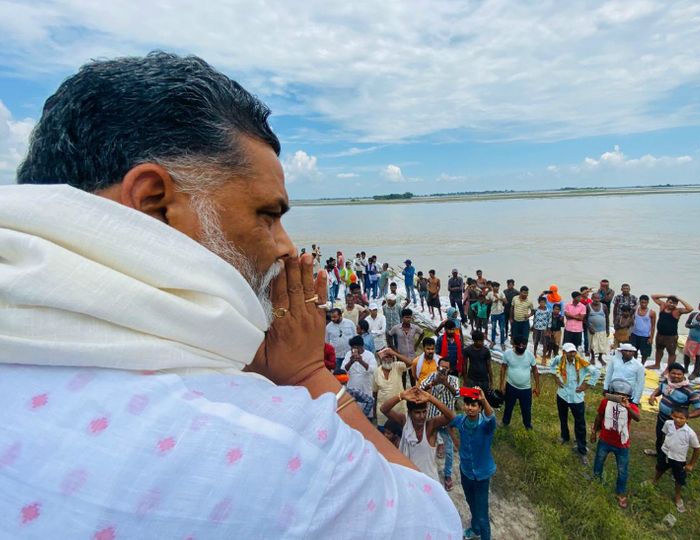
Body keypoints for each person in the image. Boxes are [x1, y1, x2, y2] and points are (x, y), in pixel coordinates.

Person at [1, 52, 460, 537]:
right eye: (268, 214)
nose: (286, 247)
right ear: (155, 204)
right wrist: (306, 375)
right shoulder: (281, 454)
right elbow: (433, 522)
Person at [449, 387, 497, 540]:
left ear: (480, 408)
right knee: (471, 503)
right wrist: (455, 440)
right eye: (467, 404)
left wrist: (483, 399)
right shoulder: (461, 420)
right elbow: (449, 424)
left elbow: (492, 418)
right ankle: (475, 529)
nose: (470, 408)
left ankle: (485, 535)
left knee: (482, 514)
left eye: (474, 405)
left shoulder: (485, 426)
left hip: (481, 476)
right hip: (466, 472)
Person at [380, 387, 455, 482]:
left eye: (424, 412)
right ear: (410, 413)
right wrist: (401, 396)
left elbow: (451, 417)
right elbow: (383, 409)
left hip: (429, 480)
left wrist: (430, 398)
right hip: (409, 479)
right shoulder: (404, 421)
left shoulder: (430, 426)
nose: (422, 416)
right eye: (417, 413)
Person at [591, 380, 641, 509]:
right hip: (605, 440)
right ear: (611, 394)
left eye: (623, 395)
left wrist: (628, 407)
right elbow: (599, 417)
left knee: (622, 470)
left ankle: (620, 492)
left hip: (622, 444)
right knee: (599, 462)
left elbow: (637, 418)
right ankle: (596, 482)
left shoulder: (631, 406)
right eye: (617, 394)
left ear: (628, 396)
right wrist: (594, 432)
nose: (619, 397)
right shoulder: (605, 403)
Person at [549, 343, 600, 466]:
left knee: (580, 424)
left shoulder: (581, 361)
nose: (572, 354)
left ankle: (582, 449)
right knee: (563, 417)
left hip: (576, 398)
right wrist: (556, 378)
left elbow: (596, 372)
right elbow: (551, 365)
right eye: (570, 352)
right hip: (562, 394)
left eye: (573, 352)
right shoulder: (559, 359)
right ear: (564, 353)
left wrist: (586, 385)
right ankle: (564, 436)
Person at [645, 362, 700, 457]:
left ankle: (673, 460)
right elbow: (659, 389)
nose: (676, 376)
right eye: (673, 373)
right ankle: (659, 453)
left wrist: (684, 417)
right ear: (669, 373)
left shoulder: (689, 391)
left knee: (674, 441)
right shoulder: (666, 382)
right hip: (661, 417)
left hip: (676, 423)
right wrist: (652, 395)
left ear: (683, 375)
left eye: (679, 374)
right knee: (660, 436)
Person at [651, 406, 700, 513]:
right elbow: (664, 434)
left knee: (679, 478)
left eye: (682, 418)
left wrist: (691, 464)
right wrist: (664, 447)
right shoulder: (668, 423)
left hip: (678, 459)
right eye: (676, 417)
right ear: (672, 416)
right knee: (660, 468)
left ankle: (678, 497)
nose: (678, 420)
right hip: (665, 453)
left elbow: (697, 449)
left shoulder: (690, 433)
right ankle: (654, 482)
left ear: (687, 419)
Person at [420, 358, 460, 491]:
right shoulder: (432, 376)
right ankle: (427, 472)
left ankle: (447, 475)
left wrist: (446, 383)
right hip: (432, 418)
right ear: (437, 367)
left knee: (449, 451)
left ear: (450, 369)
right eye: (441, 367)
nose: (443, 370)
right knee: (428, 446)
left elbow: (458, 394)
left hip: (447, 420)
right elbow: (421, 388)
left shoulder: (454, 380)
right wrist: (434, 382)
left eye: (446, 368)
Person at [499, 338, 541, 430]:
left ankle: (528, 425)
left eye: (524, 346)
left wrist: (537, 386)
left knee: (526, 409)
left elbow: (535, 370)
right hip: (511, 386)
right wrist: (501, 385)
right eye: (519, 345)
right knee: (508, 406)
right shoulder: (507, 354)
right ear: (514, 345)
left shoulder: (530, 356)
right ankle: (505, 422)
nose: (521, 347)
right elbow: (503, 368)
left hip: (526, 389)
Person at [648, 294, 694, 370]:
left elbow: (690, 308)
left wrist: (679, 298)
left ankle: (669, 369)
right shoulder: (663, 306)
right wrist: (668, 295)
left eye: (674, 303)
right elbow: (653, 296)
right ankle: (657, 364)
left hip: (671, 337)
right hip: (660, 334)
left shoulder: (677, 311)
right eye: (670, 302)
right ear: (667, 302)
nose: (672, 304)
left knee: (671, 353)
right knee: (659, 350)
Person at [374, 349, 408, 425]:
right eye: (386, 357)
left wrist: (394, 353)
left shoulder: (397, 366)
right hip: (382, 413)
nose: (389, 359)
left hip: (399, 411)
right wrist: (374, 411)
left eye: (390, 357)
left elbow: (410, 363)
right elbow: (375, 393)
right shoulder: (376, 372)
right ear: (381, 359)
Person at [630, 295, 655, 364]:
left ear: (648, 303)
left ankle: (642, 364)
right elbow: (629, 315)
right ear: (639, 302)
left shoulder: (651, 312)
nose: (643, 304)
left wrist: (651, 338)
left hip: (645, 336)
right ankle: (634, 363)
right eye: (642, 302)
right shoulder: (635, 310)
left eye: (645, 303)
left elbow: (653, 326)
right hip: (634, 334)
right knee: (633, 350)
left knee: (645, 353)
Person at [587, 292, 610, 366]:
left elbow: (607, 318)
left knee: (602, 345)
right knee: (592, 345)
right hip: (592, 330)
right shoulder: (588, 306)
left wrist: (607, 329)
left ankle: (600, 357)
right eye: (595, 298)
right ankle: (593, 357)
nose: (597, 300)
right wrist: (589, 327)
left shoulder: (604, 306)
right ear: (592, 298)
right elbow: (585, 319)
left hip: (602, 330)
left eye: (598, 298)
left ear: (600, 299)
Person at [487, 282, 507, 350]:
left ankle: (502, 343)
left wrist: (498, 298)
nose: (496, 288)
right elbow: (486, 301)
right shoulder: (490, 293)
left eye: (498, 286)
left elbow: (506, 302)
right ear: (492, 287)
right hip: (493, 314)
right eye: (495, 286)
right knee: (493, 328)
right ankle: (493, 341)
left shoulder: (501, 293)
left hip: (501, 314)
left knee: (502, 329)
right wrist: (492, 300)